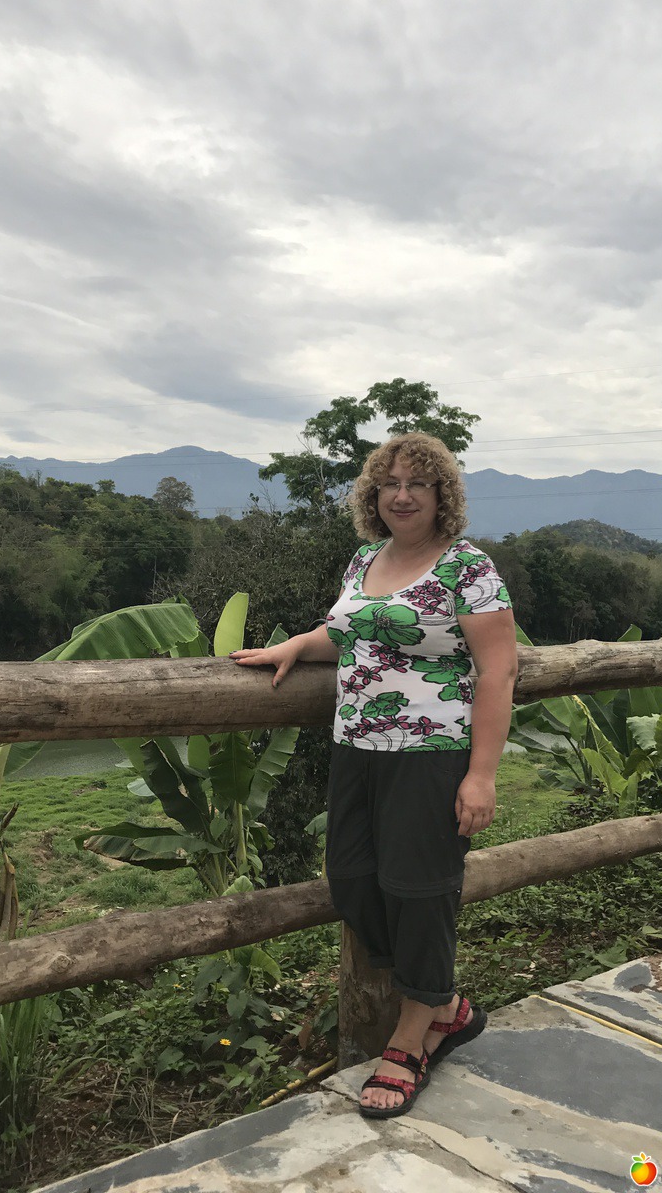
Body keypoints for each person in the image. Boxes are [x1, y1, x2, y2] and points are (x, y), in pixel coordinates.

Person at [231, 432, 517, 1119]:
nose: (403, 495)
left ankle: (411, 1039)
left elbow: (499, 670)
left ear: (442, 494)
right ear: (373, 494)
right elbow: (346, 632)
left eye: (418, 483)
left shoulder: (467, 567)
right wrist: (296, 645)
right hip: (357, 748)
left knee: (420, 891)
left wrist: (481, 775)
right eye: (390, 483)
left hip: (431, 752)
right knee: (353, 879)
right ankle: (446, 1005)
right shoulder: (366, 558)